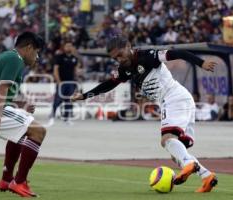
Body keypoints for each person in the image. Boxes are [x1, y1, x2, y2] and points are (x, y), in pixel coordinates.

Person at [71, 36, 218, 193]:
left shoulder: (148, 56)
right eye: (115, 58)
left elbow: (178, 53)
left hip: (174, 98)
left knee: (167, 140)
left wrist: (201, 63)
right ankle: (207, 176)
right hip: (179, 101)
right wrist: (84, 95)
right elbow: (108, 84)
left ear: (128, 46)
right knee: (176, 153)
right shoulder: (125, 69)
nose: (119, 59)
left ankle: (190, 163)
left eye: (120, 54)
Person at [0, 32, 46, 197]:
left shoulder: (9, 57)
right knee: (38, 131)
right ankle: (19, 182)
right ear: (29, 48)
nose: (37, 57)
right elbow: (2, 87)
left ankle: (6, 179)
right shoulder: (15, 59)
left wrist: (20, 105)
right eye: (37, 52)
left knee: (19, 135)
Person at [48, 42, 80, 125]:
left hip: (71, 83)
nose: (69, 47)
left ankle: (67, 118)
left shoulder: (74, 58)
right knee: (57, 100)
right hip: (62, 83)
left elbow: (75, 71)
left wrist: (77, 81)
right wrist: (59, 82)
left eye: (70, 46)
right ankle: (52, 117)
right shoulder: (59, 57)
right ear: (64, 47)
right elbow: (55, 70)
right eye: (67, 46)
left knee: (69, 101)